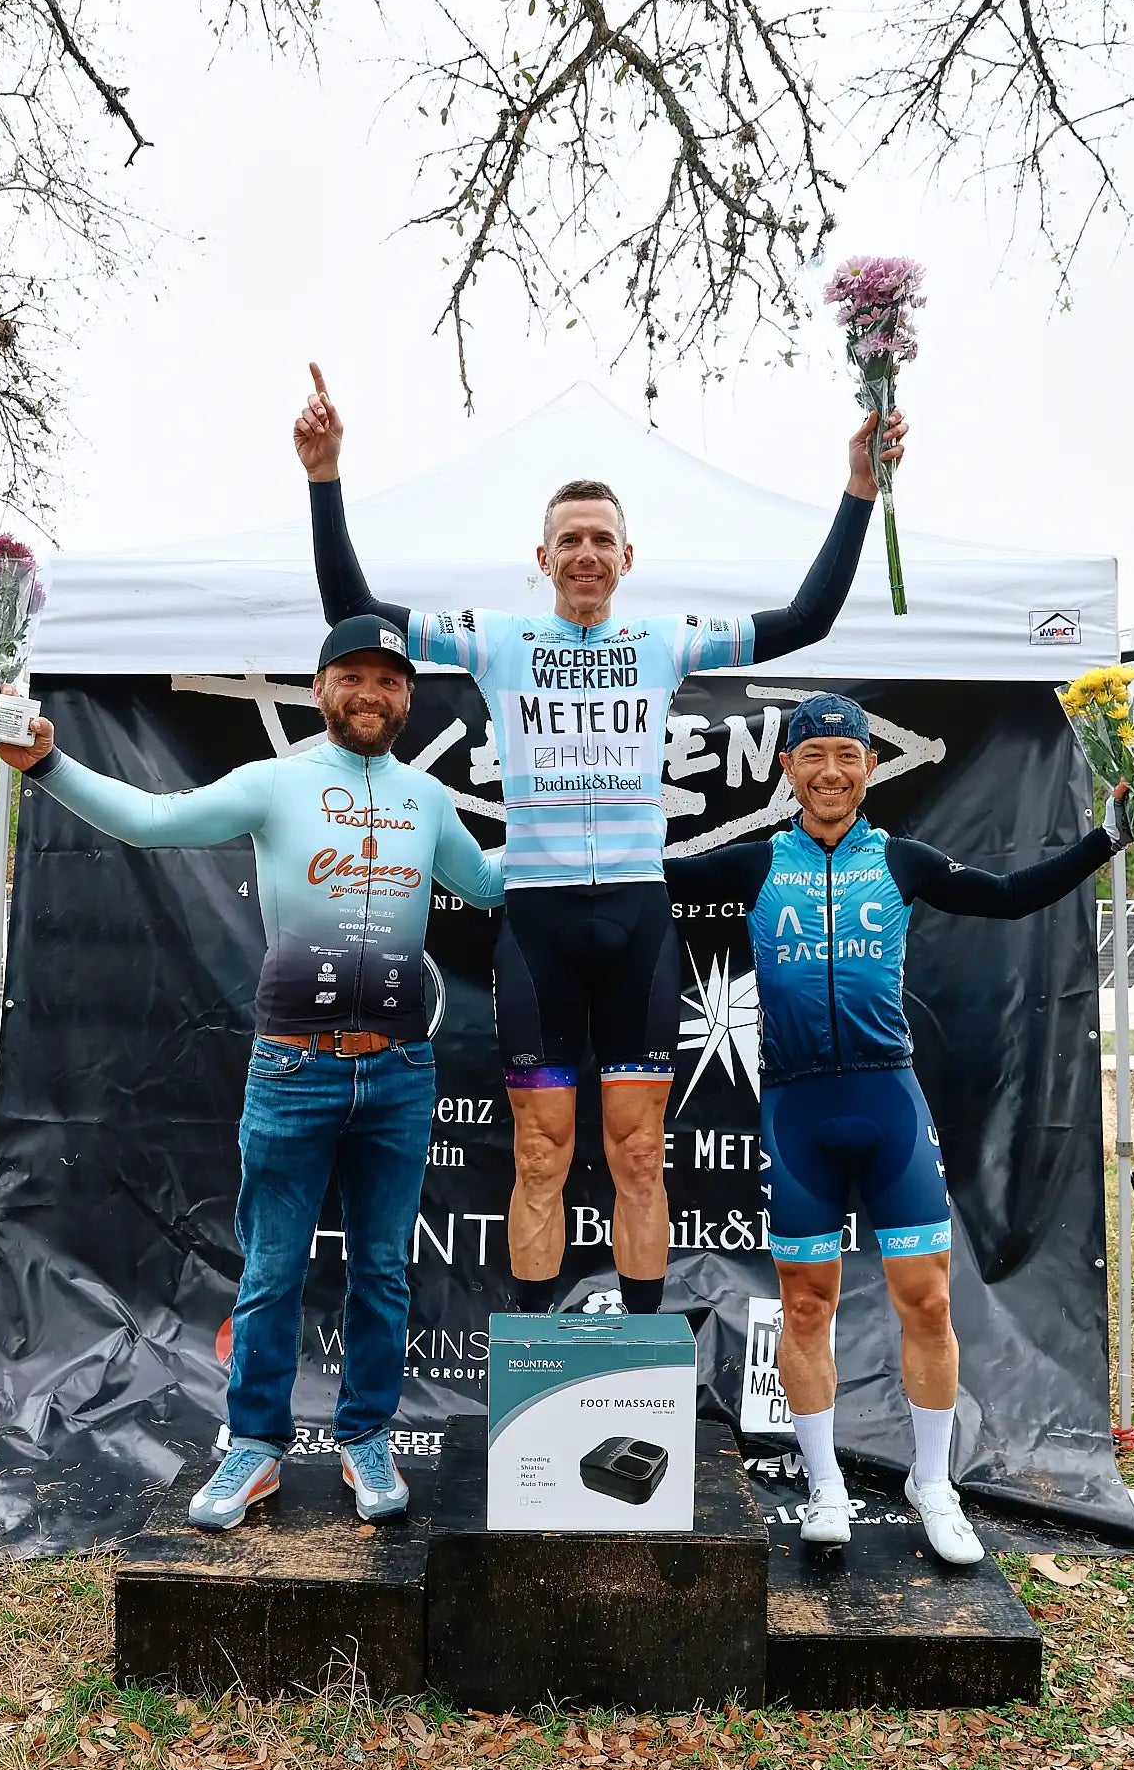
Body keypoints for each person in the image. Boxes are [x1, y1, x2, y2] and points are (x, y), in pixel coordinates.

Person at [296, 369, 907, 1316]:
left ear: (627, 557)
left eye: (601, 540)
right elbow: (355, 608)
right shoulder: (497, 640)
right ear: (542, 556)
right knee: (539, 1151)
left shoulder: (666, 640)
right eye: (570, 540)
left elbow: (805, 621)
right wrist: (324, 477)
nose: (586, 554)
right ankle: (538, 1348)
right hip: (537, 923)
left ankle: (639, 1347)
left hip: (635, 919)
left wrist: (859, 489)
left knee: (637, 1149)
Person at [0, 616, 502, 1529]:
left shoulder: (427, 799)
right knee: (271, 1271)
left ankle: (366, 1438)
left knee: (382, 1273)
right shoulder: (274, 781)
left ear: (408, 698)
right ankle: (254, 1446)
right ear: (320, 688)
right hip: (293, 1068)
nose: (370, 693)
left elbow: (486, 885)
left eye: (388, 680)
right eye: (352, 676)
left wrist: (586, 826)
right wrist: (48, 763)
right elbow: (150, 823)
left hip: (398, 1071)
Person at [665, 693, 1130, 1563]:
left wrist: (1106, 837)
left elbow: (1007, 897)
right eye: (812, 756)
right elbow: (641, 881)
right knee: (805, 1305)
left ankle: (931, 1483)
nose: (829, 771)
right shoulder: (754, 864)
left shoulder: (901, 860)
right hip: (797, 1110)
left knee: (928, 1301)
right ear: (786, 769)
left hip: (887, 1101)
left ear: (869, 768)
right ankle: (823, 1485)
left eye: (846, 755)